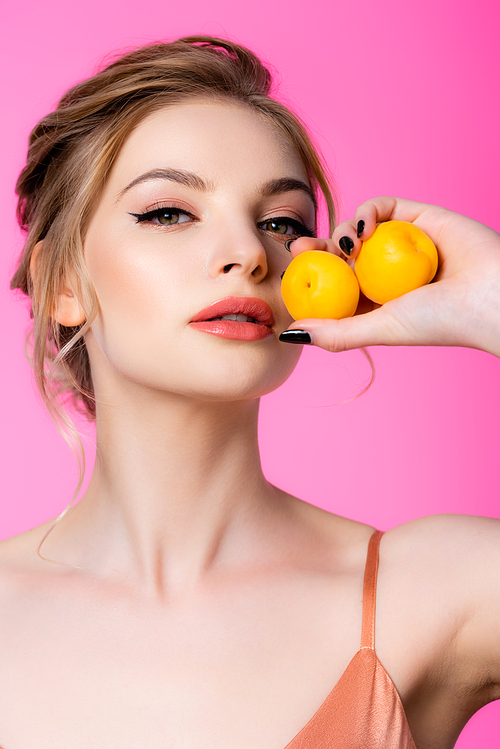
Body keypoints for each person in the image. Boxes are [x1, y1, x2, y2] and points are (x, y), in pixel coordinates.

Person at [1, 35, 499, 749]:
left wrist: (494, 301)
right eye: (169, 212)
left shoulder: (433, 592)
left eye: (282, 222)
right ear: (67, 282)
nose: (248, 252)